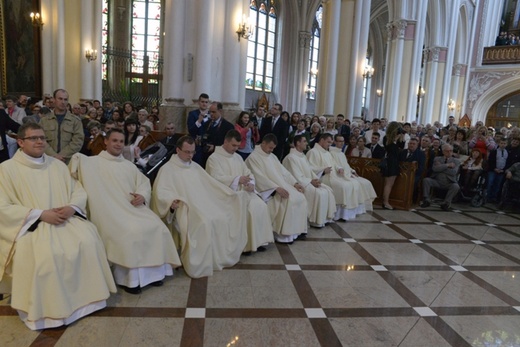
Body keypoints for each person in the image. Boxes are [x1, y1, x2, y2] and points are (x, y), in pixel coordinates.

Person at [0, 123, 116, 330]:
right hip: (31, 226)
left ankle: (89, 302)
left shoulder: (57, 165)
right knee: (47, 255)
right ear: (20, 142)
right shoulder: (6, 170)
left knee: (88, 240)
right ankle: (50, 314)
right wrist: (40, 214)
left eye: (42, 138)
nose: (39, 142)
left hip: (65, 219)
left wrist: (72, 207)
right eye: (33, 138)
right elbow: (3, 206)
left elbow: (77, 190)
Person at [69, 128, 181, 294]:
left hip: (133, 208)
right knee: (131, 232)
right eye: (114, 140)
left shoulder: (129, 165)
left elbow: (143, 184)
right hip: (110, 213)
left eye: (121, 141)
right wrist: (77, 159)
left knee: (157, 226)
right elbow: (75, 165)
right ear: (106, 141)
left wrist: (142, 196)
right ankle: (130, 280)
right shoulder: (91, 163)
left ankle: (155, 275)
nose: (118, 144)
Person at [152, 136, 248, 278]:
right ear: (178, 150)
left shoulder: (195, 166)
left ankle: (216, 259)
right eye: (187, 152)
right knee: (204, 222)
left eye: (193, 152)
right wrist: (170, 202)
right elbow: (161, 192)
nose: (190, 155)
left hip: (204, 204)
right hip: (186, 208)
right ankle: (201, 263)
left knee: (221, 217)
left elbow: (212, 185)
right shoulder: (167, 169)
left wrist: (230, 195)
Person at [206, 130, 273, 253]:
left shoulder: (237, 157)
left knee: (261, 206)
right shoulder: (214, 158)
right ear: (225, 142)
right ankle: (245, 245)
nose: (236, 149)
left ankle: (258, 242)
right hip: (227, 195)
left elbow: (248, 172)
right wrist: (237, 179)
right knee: (249, 209)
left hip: (243, 192)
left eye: (238, 146)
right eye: (233, 145)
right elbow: (215, 178)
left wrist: (251, 183)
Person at [245, 134, 308, 244]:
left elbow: (284, 172)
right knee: (289, 200)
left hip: (281, 185)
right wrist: (275, 188)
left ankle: (295, 232)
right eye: (270, 147)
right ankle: (283, 235)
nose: (271, 150)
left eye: (273, 148)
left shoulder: (272, 156)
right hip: (268, 190)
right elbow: (259, 177)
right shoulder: (253, 157)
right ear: (263, 143)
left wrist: (295, 183)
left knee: (301, 197)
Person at [307, 134, 368, 220]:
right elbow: (309, 168)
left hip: (334, 175)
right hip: (323, 177)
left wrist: (339, 168)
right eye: (328, 142)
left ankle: (346, 214)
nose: (329, 145)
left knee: (353, 183)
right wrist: (323, 170)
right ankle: (339, 214)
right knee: (343, 186)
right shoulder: (312, 152)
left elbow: (334, 164)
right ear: (321, 140)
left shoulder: (327, 153)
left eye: (330, 143)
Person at [282, 135, 336, 228]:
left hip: (308, 181)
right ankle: (314, 220)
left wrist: (315, 179)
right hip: (300, 184)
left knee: (327, 190)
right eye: (304, 141)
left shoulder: (302, 156)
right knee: (318, 193)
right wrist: (310, 181)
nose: (307, 143)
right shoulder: (291, 157)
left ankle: (324, 219)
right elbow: (296, 176)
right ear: (298, 143)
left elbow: (309, 170)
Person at [330, 134, 377, 211]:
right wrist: (344, 172)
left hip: (348, 173)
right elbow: (335, 165)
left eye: (343, 141)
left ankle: (362, 208)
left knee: (366, 182)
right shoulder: (331, 152)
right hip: (340, 175)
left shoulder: (341, 153)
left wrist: (352, 171)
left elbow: (346, 165)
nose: (342, 143)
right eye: (339, 141)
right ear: (335, 142)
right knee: (354, 184)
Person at [40, 89, 84, 163]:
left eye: (65, 99)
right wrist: (53, 155)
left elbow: (78, 141)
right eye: (60, 99)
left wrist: (62, 155)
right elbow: (40, 139)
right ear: (54, 100)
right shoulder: (44, 121)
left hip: (68, 161)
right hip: (48, 160)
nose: (63, 102)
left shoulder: (75, 121)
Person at [420, 144, 461, 211]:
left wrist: (441, 167)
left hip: (449, 182)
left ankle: (446, 203)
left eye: (451, 151)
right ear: (443, 152)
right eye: (447, 151)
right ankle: (426, 200)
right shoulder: (437, 159)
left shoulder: (456, 161)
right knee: (426, 180)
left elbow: (453, 172)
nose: (449, 153)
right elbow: (435, 169)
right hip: (437, 181)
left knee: (456, 186)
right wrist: (447, 165)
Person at [201, 102, 234, 166]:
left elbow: (229, 144)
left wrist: (215, 147)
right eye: (210, 112)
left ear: (220, 111)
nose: (211, 114)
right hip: (205, 156)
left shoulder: (228, 126)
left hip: (220, 158)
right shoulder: (206, 124)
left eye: (213, 112)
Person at [381, 121, 404, 210]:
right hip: (391, 162)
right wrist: (395, 139)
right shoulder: (387, 138)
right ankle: (386, 202)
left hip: (393, 161)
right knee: (389, 184)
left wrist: (400, 138)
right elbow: (392, 149)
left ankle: (385, 201)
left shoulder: (395, 138)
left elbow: (401, 147)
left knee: (388, 184)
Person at [398, 137, 425, 202]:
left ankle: (409, 199)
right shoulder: (402, 152)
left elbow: (421, 167)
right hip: (401, 172)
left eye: (413, 144)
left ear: (417, 145)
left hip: (414, 174)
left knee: (413, 181)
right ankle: (398, 197)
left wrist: (414, 169)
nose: (411, 145)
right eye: (410, 143)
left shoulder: (421, 154)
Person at [187, 93, 210, 164]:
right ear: (199, 102)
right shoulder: (192, 114)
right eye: (202, 102)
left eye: (206, 102)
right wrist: (199, 121)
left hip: (208, 146)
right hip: (197, 146)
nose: (204, 104)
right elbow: (191, 130)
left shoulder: (211, 114)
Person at [486, 138, 508, 203]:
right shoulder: (494, 151)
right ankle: (487, 196)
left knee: (497, 185)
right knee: (490, 183)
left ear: (506, 144)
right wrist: (494, 168)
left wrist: (503, 170)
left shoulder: (507, 152)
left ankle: (493, 197)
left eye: (504, 143)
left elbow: (507, 162)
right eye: (501, 143)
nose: (503, 145)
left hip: (501, 171)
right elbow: (491, 161)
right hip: (493, 170)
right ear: (499, 143)